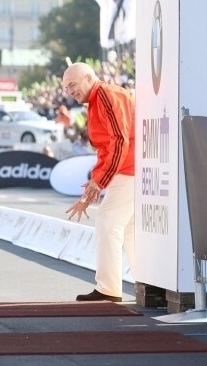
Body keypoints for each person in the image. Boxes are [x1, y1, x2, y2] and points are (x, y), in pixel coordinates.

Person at [61, 62, 135, 302]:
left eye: (72, 84)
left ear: (88, 77)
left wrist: (99, 181)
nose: (70, 91)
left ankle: (108, 289)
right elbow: (109, 146)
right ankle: (148, 285)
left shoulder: (104, 94)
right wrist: (97, 179)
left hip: (129, 170)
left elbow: (119, 140)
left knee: (107, 222)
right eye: (66, 88)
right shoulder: (97, 99)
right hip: (127, 170)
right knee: (130, 230)